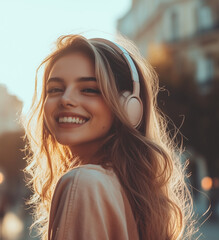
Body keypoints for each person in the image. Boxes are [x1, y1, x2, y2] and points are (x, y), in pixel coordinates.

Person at [24, 34, 194, 240]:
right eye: (55, 89)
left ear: (128, 105)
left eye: (89, 89)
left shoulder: (83, 183)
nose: (66, 99)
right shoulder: (133, 191)